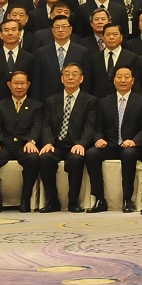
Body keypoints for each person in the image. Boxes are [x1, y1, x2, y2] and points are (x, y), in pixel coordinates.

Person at [38, 63, 99, 214]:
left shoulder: (90, 100)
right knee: (45, 158)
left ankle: (73, 201)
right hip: (56, 144)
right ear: (62, 79)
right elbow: (45, 125)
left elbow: (90, 126)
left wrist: (82, 144)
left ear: (81, 78)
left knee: (76, 159)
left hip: (75, 144)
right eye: (67, 74)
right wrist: (48, 142)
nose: (70, 77)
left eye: (74, 74)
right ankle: (52, 201)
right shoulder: (52, 100)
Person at [90, 65, 142, 213]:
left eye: (127, 77)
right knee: (91, 154)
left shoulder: (141, 101)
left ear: (133, 80)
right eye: (119, 77)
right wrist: (98, 139)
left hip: (131, 146)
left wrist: (134, 141)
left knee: (129, 154)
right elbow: (98, 128)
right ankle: (99, 199)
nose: (123, 80)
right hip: (110, 145)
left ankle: (127, 199)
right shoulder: (104, 102)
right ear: (114, 80)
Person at [0, 70, 45, 213]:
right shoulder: (0, 105)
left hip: (24, 144)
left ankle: (25, 199)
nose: (19, 86)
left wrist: (31, 141)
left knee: (33, 159)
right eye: (16, 83)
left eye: (22, 83)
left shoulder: (36, 106)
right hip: (5, 144)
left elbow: (37, 126)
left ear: (28, 85)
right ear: (9, 85)